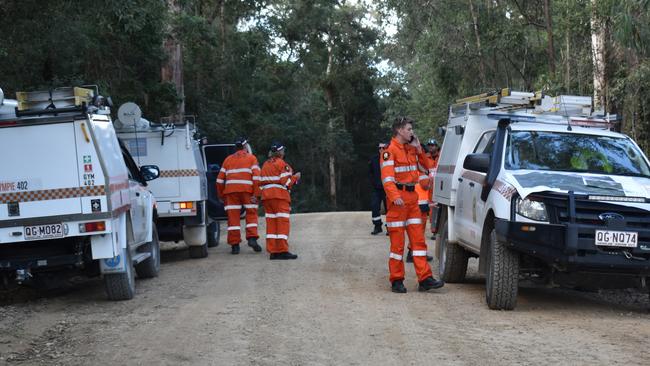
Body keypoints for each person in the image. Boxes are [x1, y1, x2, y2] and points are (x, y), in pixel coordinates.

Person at [381, 117, 444, 293]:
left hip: (412, 199)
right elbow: (387, 179)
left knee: (418, 242)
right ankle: (397, 280)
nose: (412, 132)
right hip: (398, 202)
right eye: (409, 129)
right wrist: (394, 197)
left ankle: (425, 279)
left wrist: (418, 148)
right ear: (400, 130)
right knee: (397, 245)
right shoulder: (389, 151)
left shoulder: (412, 149)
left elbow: (428, 166)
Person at [216, 137, 262, 254]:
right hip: (248, 191)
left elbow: (219, 181)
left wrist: (221, 196)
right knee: (251, 214)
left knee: (233, 219)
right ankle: (252, 239)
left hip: (231, 193)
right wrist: (256, 194)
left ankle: (235, 245)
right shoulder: (252, 158)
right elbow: (257, 178)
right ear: (245, 147)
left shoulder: (227, 160)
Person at [260, 142, 301, 260]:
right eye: (283, 150)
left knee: (271, 224)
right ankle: (282, 250)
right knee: (282, 223)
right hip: (280, 197)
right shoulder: (282, 164)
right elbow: (286, 183)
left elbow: (260, 183)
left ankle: (273, 251)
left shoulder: (265, 164)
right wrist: (295, 177)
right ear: (280, 152)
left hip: (267, 198)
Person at [368, 142, 388, 235]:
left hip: (388, 188)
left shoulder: (389, 158)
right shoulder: (374, 159)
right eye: (379, 148)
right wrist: (373, 183)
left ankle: (390, 228)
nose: (381, 150)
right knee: (375, 206)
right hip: (377, 188)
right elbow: (370, 173)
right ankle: (377, 226)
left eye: (383, 148)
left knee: (389, 208)